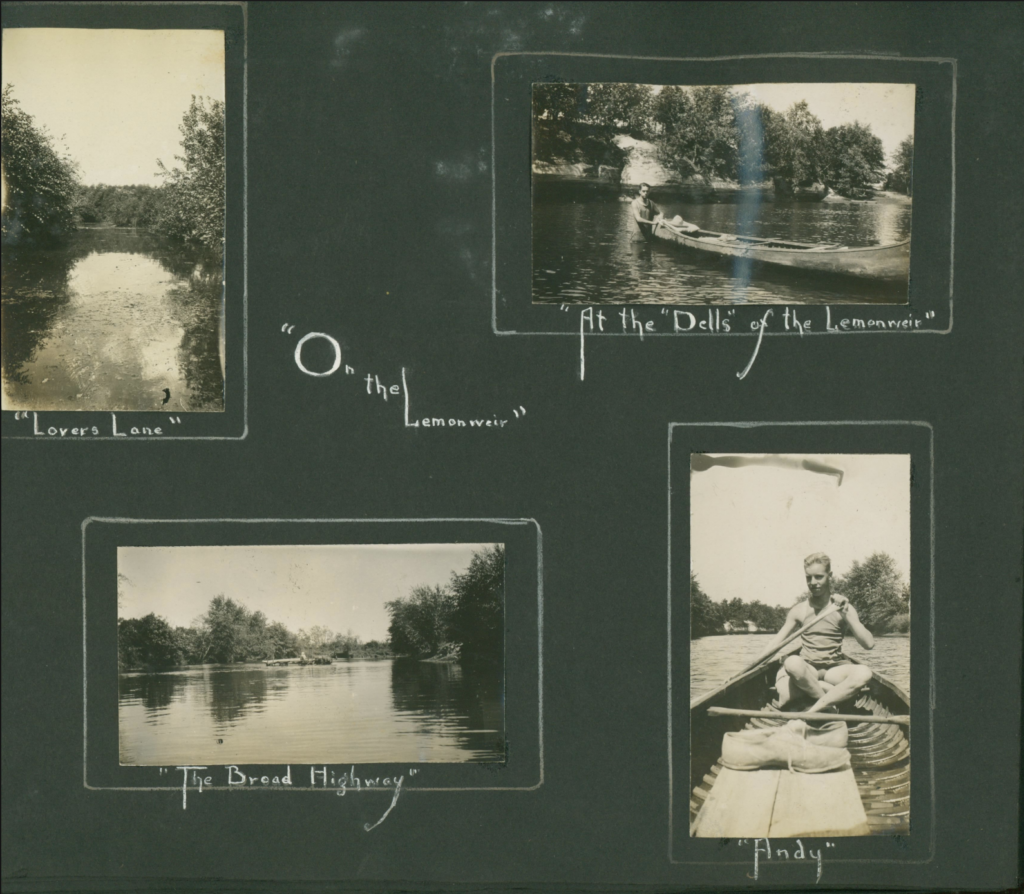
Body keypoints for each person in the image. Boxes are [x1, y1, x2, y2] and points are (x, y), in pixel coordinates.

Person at [749, 552, 875, 714]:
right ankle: (829, 702)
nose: (813, 582)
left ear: (830, 576)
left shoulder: (843, 607)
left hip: (834, 671)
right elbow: (775, 643)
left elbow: (869, 644)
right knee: (792, 662)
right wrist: (748, 669)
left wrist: (846, 615)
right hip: (808, 669)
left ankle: (815, 707)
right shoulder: (799, 610)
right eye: (809, 578)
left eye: (819, 577)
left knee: (864, 672)